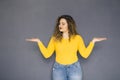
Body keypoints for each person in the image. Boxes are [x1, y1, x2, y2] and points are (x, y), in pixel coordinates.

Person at [26, 15, 107, 80]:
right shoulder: (54, 39)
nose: (60, 25)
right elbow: (47, 54)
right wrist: (38, 42)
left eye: (63, 23)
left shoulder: (77, 38)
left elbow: (84, 54)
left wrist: (93, 41)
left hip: (74, 68)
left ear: (69, 25)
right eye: (59, 23)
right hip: (58, 69)